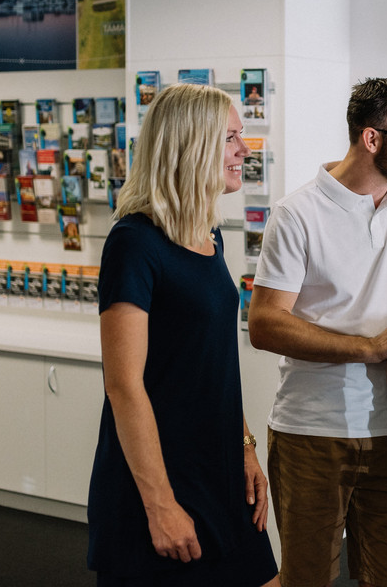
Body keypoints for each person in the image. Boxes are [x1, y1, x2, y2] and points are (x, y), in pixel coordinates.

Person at [248, 77, 387, 587]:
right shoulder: (297, 213)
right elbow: (265, 323)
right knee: (306, 580)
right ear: (371, 138)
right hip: (311, 432)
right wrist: (370, 348)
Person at [87, 83, 280, 587]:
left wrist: (244, 446)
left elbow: (211, 364)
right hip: (161, 479)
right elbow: (123, 385)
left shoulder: (208, 236)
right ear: (190, 145)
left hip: (219, 469)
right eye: (230, 138)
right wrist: (160, 505)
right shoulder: (134, 243)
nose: (244, 150)